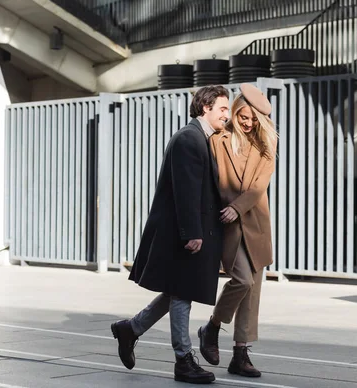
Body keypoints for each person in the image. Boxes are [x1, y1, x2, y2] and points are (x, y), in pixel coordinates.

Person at [111, 85, 229, 384]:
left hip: (187, 230)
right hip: (184, 232)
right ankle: (183, 360)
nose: (226, 116)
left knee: (179, 291)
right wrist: (192, 232)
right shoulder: (189, 139)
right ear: (205, 107)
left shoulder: (198, 138)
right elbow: (185, 190)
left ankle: (131, 329)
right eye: (223, 109)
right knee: (183, 294)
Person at [197, 83, 278, 378]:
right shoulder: (218, 140)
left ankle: (240, 354)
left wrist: (238, 207)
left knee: (253, 291)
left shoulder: (267, 144)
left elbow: (259, 186)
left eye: (254, 119)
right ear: (235, 110)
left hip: (255, 223)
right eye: (244, 116)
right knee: (242, 281)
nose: (248, 123)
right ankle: (213, 326)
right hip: (227, 224)